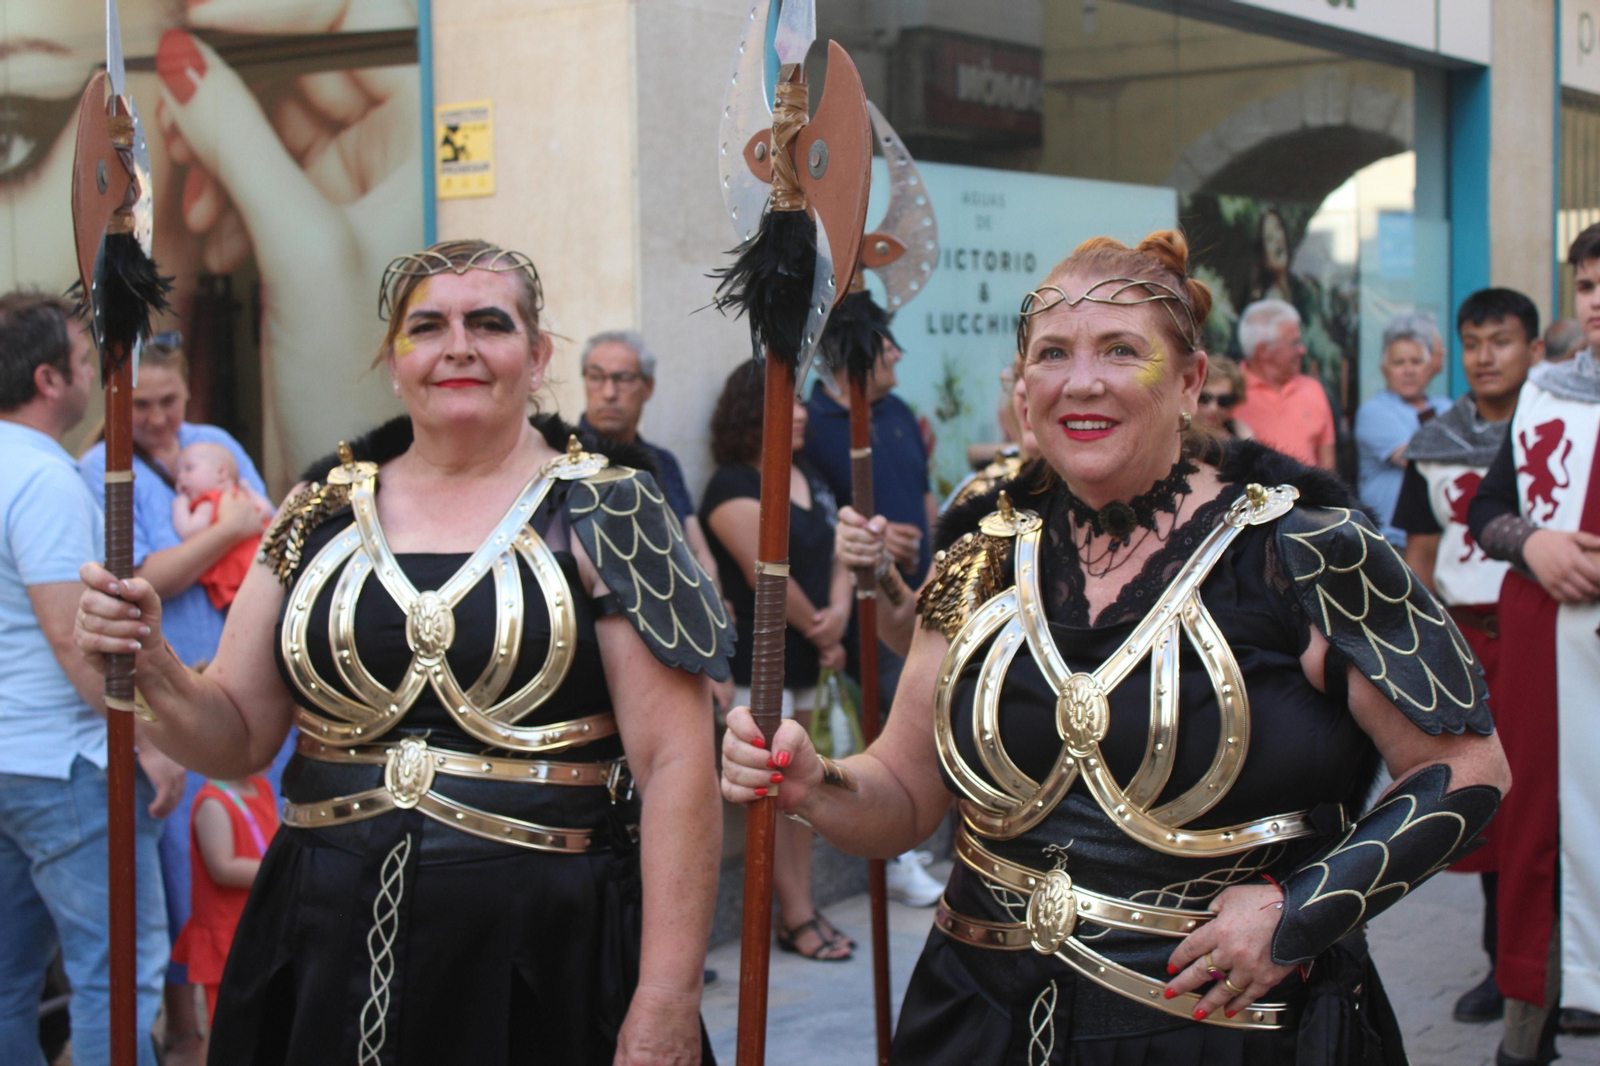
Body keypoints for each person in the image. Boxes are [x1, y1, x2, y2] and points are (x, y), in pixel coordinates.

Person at [724, 231, 1510, 1063]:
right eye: (1053, 353)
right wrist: (815, 781)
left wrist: (1299, 910)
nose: (1083, 381)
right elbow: (904, 801)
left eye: (1121, 350)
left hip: (1225, 1033)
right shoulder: (981, 556)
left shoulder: (1307, 552)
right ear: (1024, 394)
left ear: (1189, 383)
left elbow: (1469, 769)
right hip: (976, 1017)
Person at [74, 240, 733, 1064]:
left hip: (545, 952)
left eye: (488, 323)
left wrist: (667, 995)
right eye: (427, 326)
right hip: (319, 941)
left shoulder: (615, 508)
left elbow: (676, 765)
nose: (457, 344)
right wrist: (155, 669)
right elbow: (237, 736)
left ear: (537, 358)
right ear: (396, 362)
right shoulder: (316, 511)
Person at [77, 334, 274, 1063]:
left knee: (251, 837)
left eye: (171, 402)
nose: (159, 419)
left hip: (241, 679)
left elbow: (271, 534)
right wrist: (224, 529)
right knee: (180, 865)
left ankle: (243, 1002)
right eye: (145, 404)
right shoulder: (100, 468)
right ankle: (189, 1026)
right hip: (170, 693)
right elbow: (140, 581)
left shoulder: (214, 442)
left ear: (190, 395)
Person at [0, 291, 184, 1066]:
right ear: (51, 379)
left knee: (8, 986)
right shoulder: (42, 479)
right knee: (116, 982)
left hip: (16, 758)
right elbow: (74, 637)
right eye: (89, 360)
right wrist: (150, 739)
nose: (101, 375)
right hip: (66, 765)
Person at [1468, 223, 1600, 1064]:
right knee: (1539, 840)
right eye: (1588, 286)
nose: (1599, 302)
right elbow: (1487, 511)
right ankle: (1530, 1031)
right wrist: (1535, 544)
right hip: (1550, 661)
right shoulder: (1550, 395)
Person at [1391, 288, 1540, 1027]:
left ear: (1533, 350)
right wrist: (1414, 654)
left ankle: (1555, 966)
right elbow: (1419, 555)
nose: (1487, 357)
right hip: (1464, 637)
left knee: (1555, 804)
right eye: (1474, 342)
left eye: (1502, 341)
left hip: (1547, 630)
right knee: (1488, 807)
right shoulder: (1434, 443)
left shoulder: (1558, 430)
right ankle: (1502, 964)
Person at [701, 361, 859, 960]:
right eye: (786, 404)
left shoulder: (812, 473)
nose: (800, 414)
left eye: (800, 404)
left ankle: (804, 906)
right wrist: (819, 626)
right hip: (759, 669)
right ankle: (794, 916)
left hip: (816, 655)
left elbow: (844, 541)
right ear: (750, 411)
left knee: (805, 795)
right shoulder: (732, 486)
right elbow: (764, 570)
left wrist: (837, 614)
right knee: (772, 794)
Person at [803, 305, 945, 909]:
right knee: (899, 725)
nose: (898, 356)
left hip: (928, 596)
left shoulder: (904, 417)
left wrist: (931, 543)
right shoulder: (815, 424)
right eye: (887, 346)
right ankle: (897, 855)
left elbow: (924, 494)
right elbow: (818, 516)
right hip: (864, 606)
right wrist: (871, 549)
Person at [171, 772, 278, 1028]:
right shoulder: (213, 803)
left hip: (260, 928)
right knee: (228, 1027)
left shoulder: (261, 787)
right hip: (226, 938)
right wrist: (281, 871)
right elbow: (223, 868)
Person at [1354, 315, 1453, 546]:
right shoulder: (1374, 411)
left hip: (1442, 537)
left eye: (1416, 362)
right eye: (1399, 363)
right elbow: (1416, 459)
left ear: (1430, 367)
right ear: (1384, 369)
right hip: (1390, 540)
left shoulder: (1446, 406)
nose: (1408, 370)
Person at [1232, 298, 1338, 469]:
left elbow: (1328, 466)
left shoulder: (1313, 389)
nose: (1302, 350)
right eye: (1294, 343)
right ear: (1264, 351)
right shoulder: (1228, 393)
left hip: (1309, 494)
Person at [170, 441, 275, 609]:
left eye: (189, 469)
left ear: (221, 472)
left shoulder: (209, 502)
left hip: (246, 570)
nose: (180, 478)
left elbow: (190, 531)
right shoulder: (224, 498)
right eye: (178, 474)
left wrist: (179, 507)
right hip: (247, 573)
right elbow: (264, 511)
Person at [1197, 355, 1254, 441]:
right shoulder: (1177, 431)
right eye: (1204, 398)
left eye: (1224, 400)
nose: (1213, 408)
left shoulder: (1240, 432)